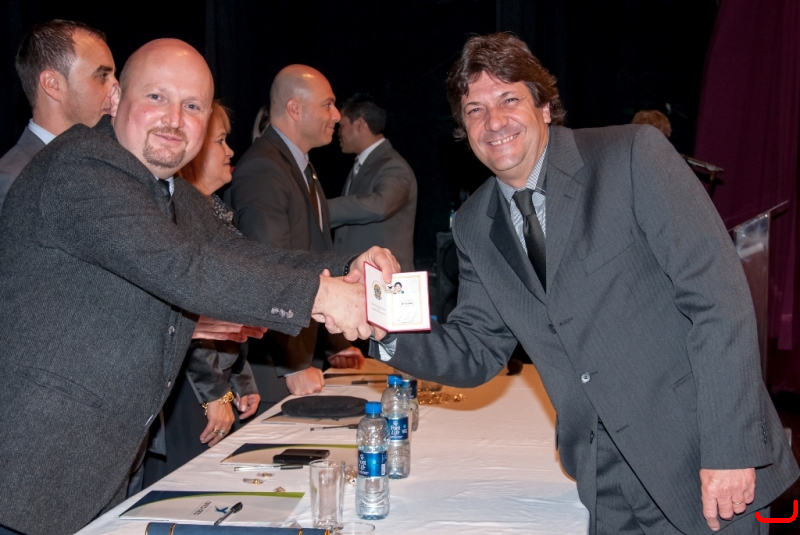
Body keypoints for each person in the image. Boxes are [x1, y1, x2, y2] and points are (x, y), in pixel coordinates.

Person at [372, 33, 798, 534]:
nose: (494, 122)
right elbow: (476, 348)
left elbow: (718, 302)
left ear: (544, 106)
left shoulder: (632, 156)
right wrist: (377, 317)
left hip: (699, 457)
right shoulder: (473, 225)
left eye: (509, 99)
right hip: (601, 477)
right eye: (475, 110)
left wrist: (730, 450)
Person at [0, 39, 396, 535]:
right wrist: (326, 296)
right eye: (156, 98)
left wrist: (348, 268)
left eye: (192, 107)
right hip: (30, 474)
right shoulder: (82, 166)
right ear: (115, 98)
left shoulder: (170, 192)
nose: (173, 119)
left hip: (104, 469)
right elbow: (183, 267)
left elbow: (244, 254)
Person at [227, 65, 364, 411]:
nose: (337, 115)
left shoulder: (302, 167)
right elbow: (269, 267)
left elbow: (316, 256)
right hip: (274, 368)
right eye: (328, 105)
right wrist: (292, 364)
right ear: (294, 109)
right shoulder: (263, 168)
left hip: (301, 354)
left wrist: (335, 343)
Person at [141, 102, 261, 486]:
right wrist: (216, 394)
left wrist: (241, 381)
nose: (230, 151)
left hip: (215, 389)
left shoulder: (216, 213)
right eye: (221, 141)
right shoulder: (176, 221)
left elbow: (229, 316)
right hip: (187, 394)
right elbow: (186, 320)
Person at [0, 19, 118, 213]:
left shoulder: (109, 164)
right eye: (102, 76)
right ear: (53, 84)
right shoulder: (13, 180)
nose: (116, 89)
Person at [329, 93, 417, 271]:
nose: (338, 132)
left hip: (384, 279)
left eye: (342, 126)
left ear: (360, 124)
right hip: (361, 276)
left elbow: (381, 205)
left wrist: (321, 209)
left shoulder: (394, 166)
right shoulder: (362, 164)